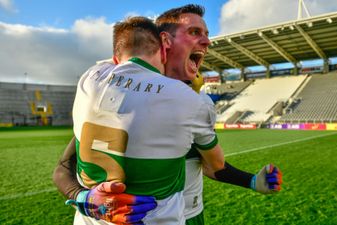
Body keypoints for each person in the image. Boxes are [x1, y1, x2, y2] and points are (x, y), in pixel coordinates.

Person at [53, 4, 282, 225]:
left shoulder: (197, 102)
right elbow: (64, 166)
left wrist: (252, 181)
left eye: (206, 33)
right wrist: (85, 198)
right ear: (164, 41)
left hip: (189, 214)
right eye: (194, 32)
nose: (207, 41)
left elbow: (213, 165)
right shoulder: (114, 92)